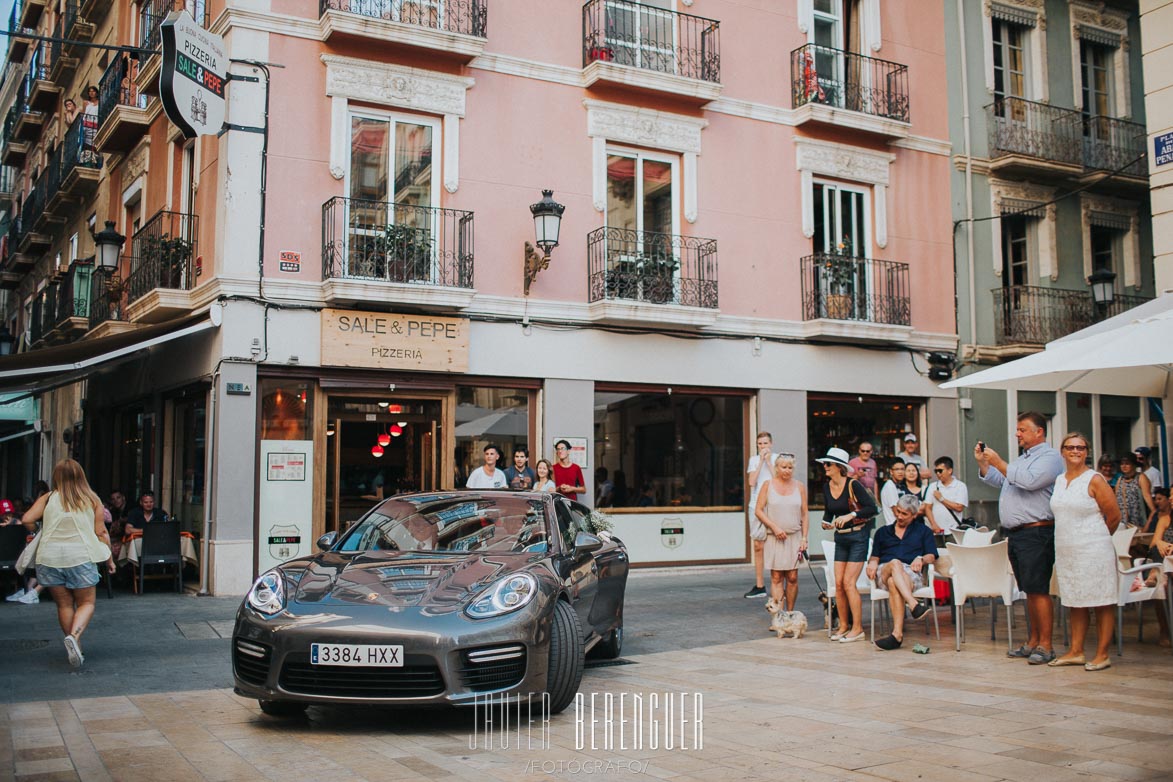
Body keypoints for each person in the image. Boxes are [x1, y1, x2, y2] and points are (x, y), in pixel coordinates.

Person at [976, 411, 1065, 665]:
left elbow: (1027, 481)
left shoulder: (1050, 459)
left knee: (1038, 589)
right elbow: (1000, 479)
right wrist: (984, 462)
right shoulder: (1023, 458)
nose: (1017, 434)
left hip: (1037, 531)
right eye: (1017, 430)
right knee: (1028, 590)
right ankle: (1033, 640)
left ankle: (1046, 645)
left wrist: (1000, 461)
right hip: (1018, 533)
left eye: (1022, 430)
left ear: (1039, 432)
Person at [21, 459, 115, 669]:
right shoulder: (92, 500)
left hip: (50, 558)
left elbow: (27, 518)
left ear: (56, 477)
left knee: (64, 604)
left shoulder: (48, 498)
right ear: (80, 476)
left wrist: (39, 531)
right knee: (87, 603)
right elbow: (101, 533)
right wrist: (109, 559)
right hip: (81, 557)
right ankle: (74, 636)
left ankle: (76, 647)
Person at [1048, 432, 1121, 671]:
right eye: (1070, 447)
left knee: (1102, 600)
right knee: (1075, 600)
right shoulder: (1059, 480)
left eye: (1080, 448)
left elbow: (1114, 516)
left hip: (1094, 549)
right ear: (1062, 451)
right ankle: (1076, 651)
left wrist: (1094, 538)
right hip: (1067, 551)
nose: (1075, 451)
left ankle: (1102, 653)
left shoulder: (1095, 479)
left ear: (1087, 452)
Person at [818, 447, 877, 644]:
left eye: (828, 464)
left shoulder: (854, 485)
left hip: (858, 536)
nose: (825, 467)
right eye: (824, 464)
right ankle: (843, 625)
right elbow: (829, 511)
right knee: (839, 584)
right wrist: (826, 521)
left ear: (839, 467)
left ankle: (858, 628)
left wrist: (851, 515)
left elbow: (871, 508)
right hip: (840, 538)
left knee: (850, 583)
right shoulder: (827, 487)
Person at [867, 494, 938, 650]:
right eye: (898, 511)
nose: (899, 516)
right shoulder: (882, 532)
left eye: (904, 514)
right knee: (895, 563)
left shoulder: (923, 531)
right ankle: (913, 604)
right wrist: (872, 563)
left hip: (910, 574)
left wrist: (921, 558)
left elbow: (932, 555)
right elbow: (875, 557)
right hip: (885, 570)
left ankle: (897, 635)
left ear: (914, 515)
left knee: (894, 582)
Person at [754, 453, 808, 611]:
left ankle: (790, 614)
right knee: (776, 577)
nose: (787, 470)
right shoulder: (767, 484)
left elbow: (805, 513)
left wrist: (804, 538)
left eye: (790, 467)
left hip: (794, 536)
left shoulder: (799, 486)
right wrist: (774, 527)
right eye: (783, 467)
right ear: (777, 468)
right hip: (774, 537)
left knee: (792, 577)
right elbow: (758, 510)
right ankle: (778, 616)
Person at [744, 432, 778, 598]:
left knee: (774, 543)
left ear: (771, 444)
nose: (763, 446)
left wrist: (769, 462)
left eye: (765, 443)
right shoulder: (753, 460)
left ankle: (776, 583)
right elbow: (751, 482)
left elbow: (778, 480)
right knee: (758, 545)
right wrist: (760, 463)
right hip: (756, 504)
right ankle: (759, 585)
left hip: (773, 504)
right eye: (760, 444)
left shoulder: (778, 458)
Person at [1143, 487, 1172, 646]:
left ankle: (1155, 573)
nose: (1172, 499)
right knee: (1161, 587)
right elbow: (1154, 542)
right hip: (1166, 562)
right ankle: (1164, 630)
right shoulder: (1164, 519)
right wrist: (1161, 542)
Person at [924, 457, 969, 535]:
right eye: (936, 471)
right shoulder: (932, 486)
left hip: (954, 531)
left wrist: (941, 499)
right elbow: (927, 507)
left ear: (949, 471)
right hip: (937, 531)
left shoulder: (960, 486)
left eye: (940, 471)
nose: (938, 473)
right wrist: (933, 524)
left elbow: (959, 507)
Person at [1115, 453, 1154, 528]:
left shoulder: (1141, 478)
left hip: (1139, 525)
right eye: (1122, 464)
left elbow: (1150, 504)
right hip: (1123, 525)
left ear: (1134, 465)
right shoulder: (1120, 480)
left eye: (1127, 464)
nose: (1124, 466)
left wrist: (1146, 527)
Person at [879, 459, 906, 526]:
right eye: (897, 469)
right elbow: (896, 512)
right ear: (891, 472)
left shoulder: (897, 485)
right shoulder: (890, 486)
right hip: (894, 526)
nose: (900, 472)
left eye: (902, 469)